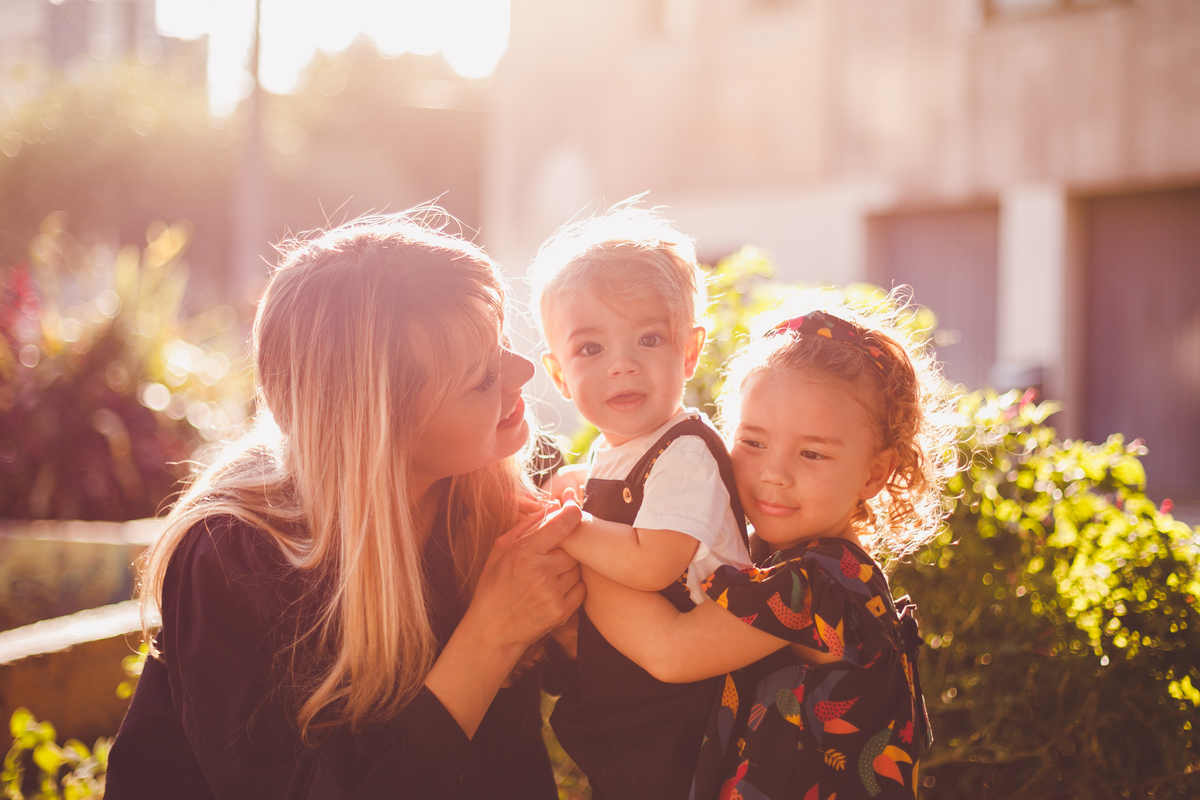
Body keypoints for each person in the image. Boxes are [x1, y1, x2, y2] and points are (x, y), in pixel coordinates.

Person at [104, 214, 585, 800]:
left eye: (501, 342)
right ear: (381, 431)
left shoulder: (511, 478)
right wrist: (492, 638)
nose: (524, 372)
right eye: (482, 378)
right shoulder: (235, 558)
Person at [583, 296, 959, 799]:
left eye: (812, 453)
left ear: (875, 473)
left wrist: (576, 536)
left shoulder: (819, 585)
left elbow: (669, 649)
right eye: (753, 443)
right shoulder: (776, 558)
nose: (773, 475)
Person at [530, 207, 753, 799]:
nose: (621, 364)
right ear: (558, 373)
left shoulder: (685, 454)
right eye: (590, 349)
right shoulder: (620, 453)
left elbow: (653, 561)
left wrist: (566, 525)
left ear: (689, 351)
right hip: (637, 709)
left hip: (688, 714)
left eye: (648, 339)